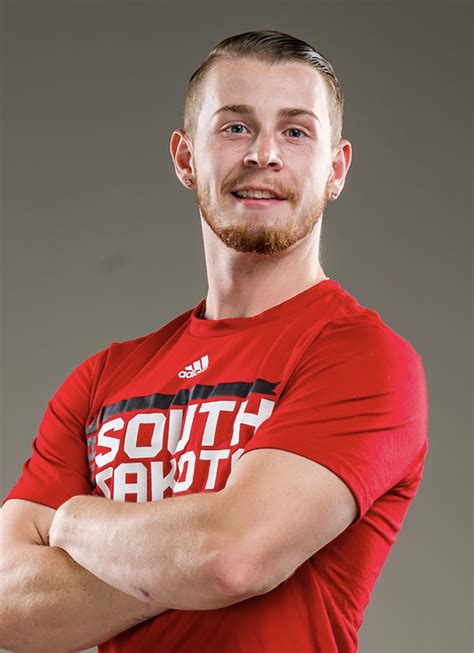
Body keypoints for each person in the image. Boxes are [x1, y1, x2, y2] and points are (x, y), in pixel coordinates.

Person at [0, 30, 428, 653]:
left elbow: (230, 558)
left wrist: (74, 521)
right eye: (234, 127)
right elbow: (8, 602)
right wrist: (189, 557)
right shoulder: (103, 380)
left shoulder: (363, 358)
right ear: (185, 158)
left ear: (335, 170)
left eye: (295, 131)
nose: (263, 154)